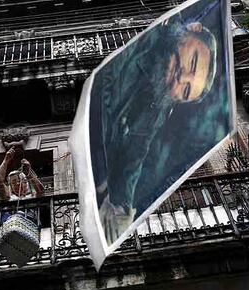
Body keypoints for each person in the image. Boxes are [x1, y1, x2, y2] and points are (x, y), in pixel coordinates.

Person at [90, 20, 218, 244]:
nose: (182, 77)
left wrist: (123, 210)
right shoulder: (144, 41)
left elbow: (135, 156)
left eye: (186, 89)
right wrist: (101, 176)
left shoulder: (158, 106)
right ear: (193, 29)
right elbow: (103, 87)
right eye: (193, 61)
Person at [0, 147, 45, 224]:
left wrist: (29, 173)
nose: (18, 183)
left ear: (27, 182)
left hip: (30, 228)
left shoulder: (32, 196)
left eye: (21, 181)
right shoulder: (8, 197)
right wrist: (6, 160)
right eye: (14, 182)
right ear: (10, 186)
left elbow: (41, 191)